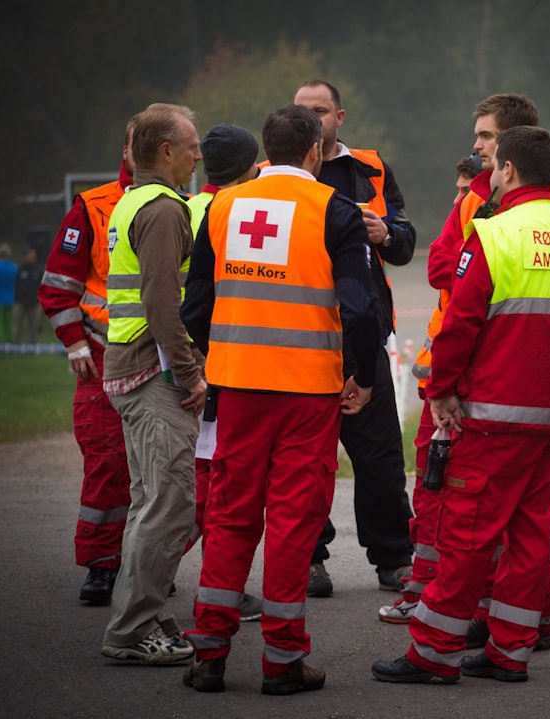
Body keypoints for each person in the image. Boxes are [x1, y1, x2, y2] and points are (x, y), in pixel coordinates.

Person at [372, 125, 550, 685]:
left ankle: (434, 653)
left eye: (494, 166)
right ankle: (509, 651)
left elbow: (460, 324)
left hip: (493, 413)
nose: (488, 174)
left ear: (510, 171)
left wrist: (443, 389)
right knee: (528, 537)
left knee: (467, 538)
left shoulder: (493, 233)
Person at [180, 103, 382, 695]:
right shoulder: (335, 211)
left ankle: (209, 654)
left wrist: (223, 356)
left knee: (230, 516)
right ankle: (282, 661)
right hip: (308, 393)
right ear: (317, 150)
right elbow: (361, 307)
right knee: (294, 522)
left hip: (236, 387)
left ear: (266, 152)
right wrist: (362, 376)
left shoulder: (219, 206)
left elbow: (196, 307)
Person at [293, 79, 415, 597]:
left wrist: (386, 235)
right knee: (305, 460)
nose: (310, 119)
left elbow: (407, 242)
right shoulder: (271, 176)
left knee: (381, 457)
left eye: (319, 111)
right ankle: (310, 561)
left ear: (339, 117)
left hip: (362, 335)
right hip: (299, 338)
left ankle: (393, 558)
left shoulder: (371, 169)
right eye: (301, 112)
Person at [100, 102, 206, 665]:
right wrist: (190, 373)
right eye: (190, 145)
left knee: (149, 505)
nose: (197, 155)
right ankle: (132, 629)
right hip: (153, 373)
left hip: (128, 366)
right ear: (165, 153)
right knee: (169, 506)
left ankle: (149, 613)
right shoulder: (165, 209)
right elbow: (162, 302)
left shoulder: (131, 201)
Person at [37, 116, 135, 605]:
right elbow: (57, 286)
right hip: (100, 358)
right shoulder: (93, 208)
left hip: (162, 360)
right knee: (107, 462)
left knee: (160, 472)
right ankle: (101, 564)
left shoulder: (183, 208)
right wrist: (75, 342)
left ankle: (142, 562)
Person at [378, 155, 480, 625]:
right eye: (456, 190)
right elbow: (441, 268)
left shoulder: (493, 222)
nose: (458, 200)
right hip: (443, 373)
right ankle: (426, 584)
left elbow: (443, 271)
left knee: (456, 497)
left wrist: (444, 385)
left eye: (485, 134)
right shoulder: (476, 211)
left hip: (462, 379)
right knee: (432, 485)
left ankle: (453, 605)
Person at [184, 122, 263, 623]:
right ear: (251, 165)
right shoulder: (239, 210)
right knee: (217, 486)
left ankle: (152, 566)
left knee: (188, 476)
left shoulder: (187, 206)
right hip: (222, 368)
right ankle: (217, 587)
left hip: (186, 359)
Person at [14, 246, 45, 347]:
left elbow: (42, 285)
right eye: (30, 255)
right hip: (21, 302)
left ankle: (32, 343)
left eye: (33, 255)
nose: (32, 257)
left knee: (34, 325)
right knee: (18, 324)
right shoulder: (20, 268)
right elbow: (16, 284)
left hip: (35, 302)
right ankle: (16, 344)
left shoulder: (38, 269)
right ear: (25, 256)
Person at [0, 243, 15, 347]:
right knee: (9, 323)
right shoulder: (13, 268)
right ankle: (10, 345)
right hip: (10, 298)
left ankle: (0, 345)